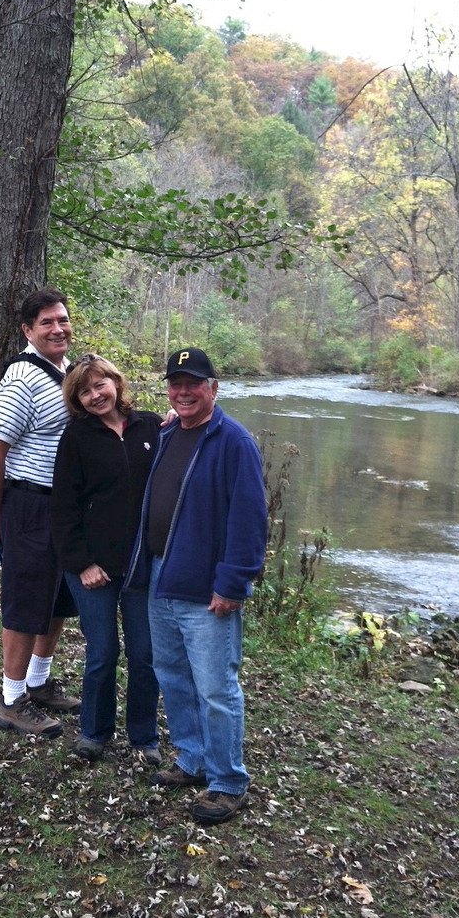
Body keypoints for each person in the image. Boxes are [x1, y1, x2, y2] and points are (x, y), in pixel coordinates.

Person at [125, 347, 268, 825]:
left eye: (194, 383)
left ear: (214, 387)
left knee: (215, 688)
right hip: (161, 575)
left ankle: (227, 781)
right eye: (176, 383)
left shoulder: (233, 442)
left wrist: (232, 584)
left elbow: (249, 522)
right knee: (172, 675)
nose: (184, 391)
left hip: (206, 587)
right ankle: (191, 759)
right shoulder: (168, 434)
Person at [0, 287, 80, 737]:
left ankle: (37, 684)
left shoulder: (67, 371)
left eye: (62, 319)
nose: (58, 328)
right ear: (27, 330)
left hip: (63, 506)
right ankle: (10, 700)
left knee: (55, 598)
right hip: (29, 504)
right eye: (46, 323)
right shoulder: (22, 379)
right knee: (25, 601)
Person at [50, 354, 162, 764]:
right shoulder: (76, 438)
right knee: (102, 653)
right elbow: (62, 509)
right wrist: (82, 563)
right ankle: (95, 733)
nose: (95, 395)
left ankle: (144, 736)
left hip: (139, 565)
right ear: (76, 399)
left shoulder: (150, 426)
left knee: (144, 653)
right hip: (91, 568)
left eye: (100, 385)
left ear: (116, 383)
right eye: (84, 390)